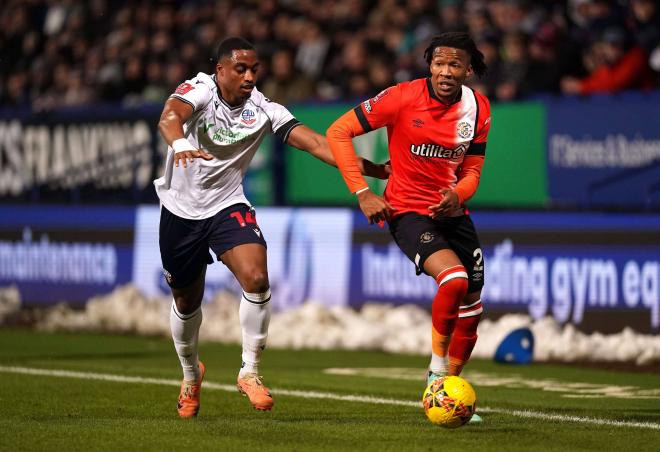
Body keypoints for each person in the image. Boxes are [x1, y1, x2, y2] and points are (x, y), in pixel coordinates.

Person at [155, 37, 387, 418]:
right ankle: (190, 374)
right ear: (221, 71)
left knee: (257, 278)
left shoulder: (264, 109)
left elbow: (314, 143)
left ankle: (250, 371)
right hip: (181, 212)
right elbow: (169, 117)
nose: (249, 76)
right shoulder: (198, 90)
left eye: (254, 69)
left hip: (227, 206)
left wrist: (367, 167)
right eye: (241, 69)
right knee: (186, 301)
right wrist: (180, 145)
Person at [326, 32, 490, 422]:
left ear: (468, 69)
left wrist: (459, 195)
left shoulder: (479, 108)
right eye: (438, 63)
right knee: (453, 280)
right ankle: (436, 375)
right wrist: (363, 191)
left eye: (454, 65)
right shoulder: (400, 97)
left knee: (472, 306)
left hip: (452, 213)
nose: (445, 72)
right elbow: (337, 132)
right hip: (407, 211)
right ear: (429, 65)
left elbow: (473, 170)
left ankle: (449, 391)